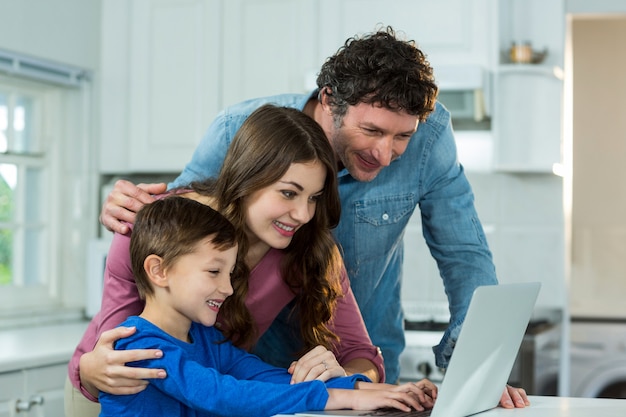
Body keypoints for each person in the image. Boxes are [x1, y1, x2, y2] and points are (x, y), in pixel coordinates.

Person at [97, 26, 529, 407]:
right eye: (372, 131)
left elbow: (464, 252)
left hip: (357, 360)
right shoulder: (239, 132)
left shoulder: (426, 141)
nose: (385, 154)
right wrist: (130, 209)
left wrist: (477, 369)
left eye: (402, 137)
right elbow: (174, 234)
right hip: (249, 360)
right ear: (329, 101)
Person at [66, 105, 387, 417]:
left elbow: (360, 355)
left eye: (314, 198)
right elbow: (116, 350)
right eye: (288, 193)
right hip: (112, 389)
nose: (303, 214)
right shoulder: (153, 224)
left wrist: (351, 381)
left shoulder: (308, 249)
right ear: (248, 178)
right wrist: (89, 370)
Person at [98, 195, 437, 416]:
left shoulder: (205, 339)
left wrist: (382, 391)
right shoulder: (137, 346)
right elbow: (222, 395)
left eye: (230, 273)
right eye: (214, 271)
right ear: (159, 271)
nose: (228, 288)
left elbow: (271, 378)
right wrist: (341, 399)